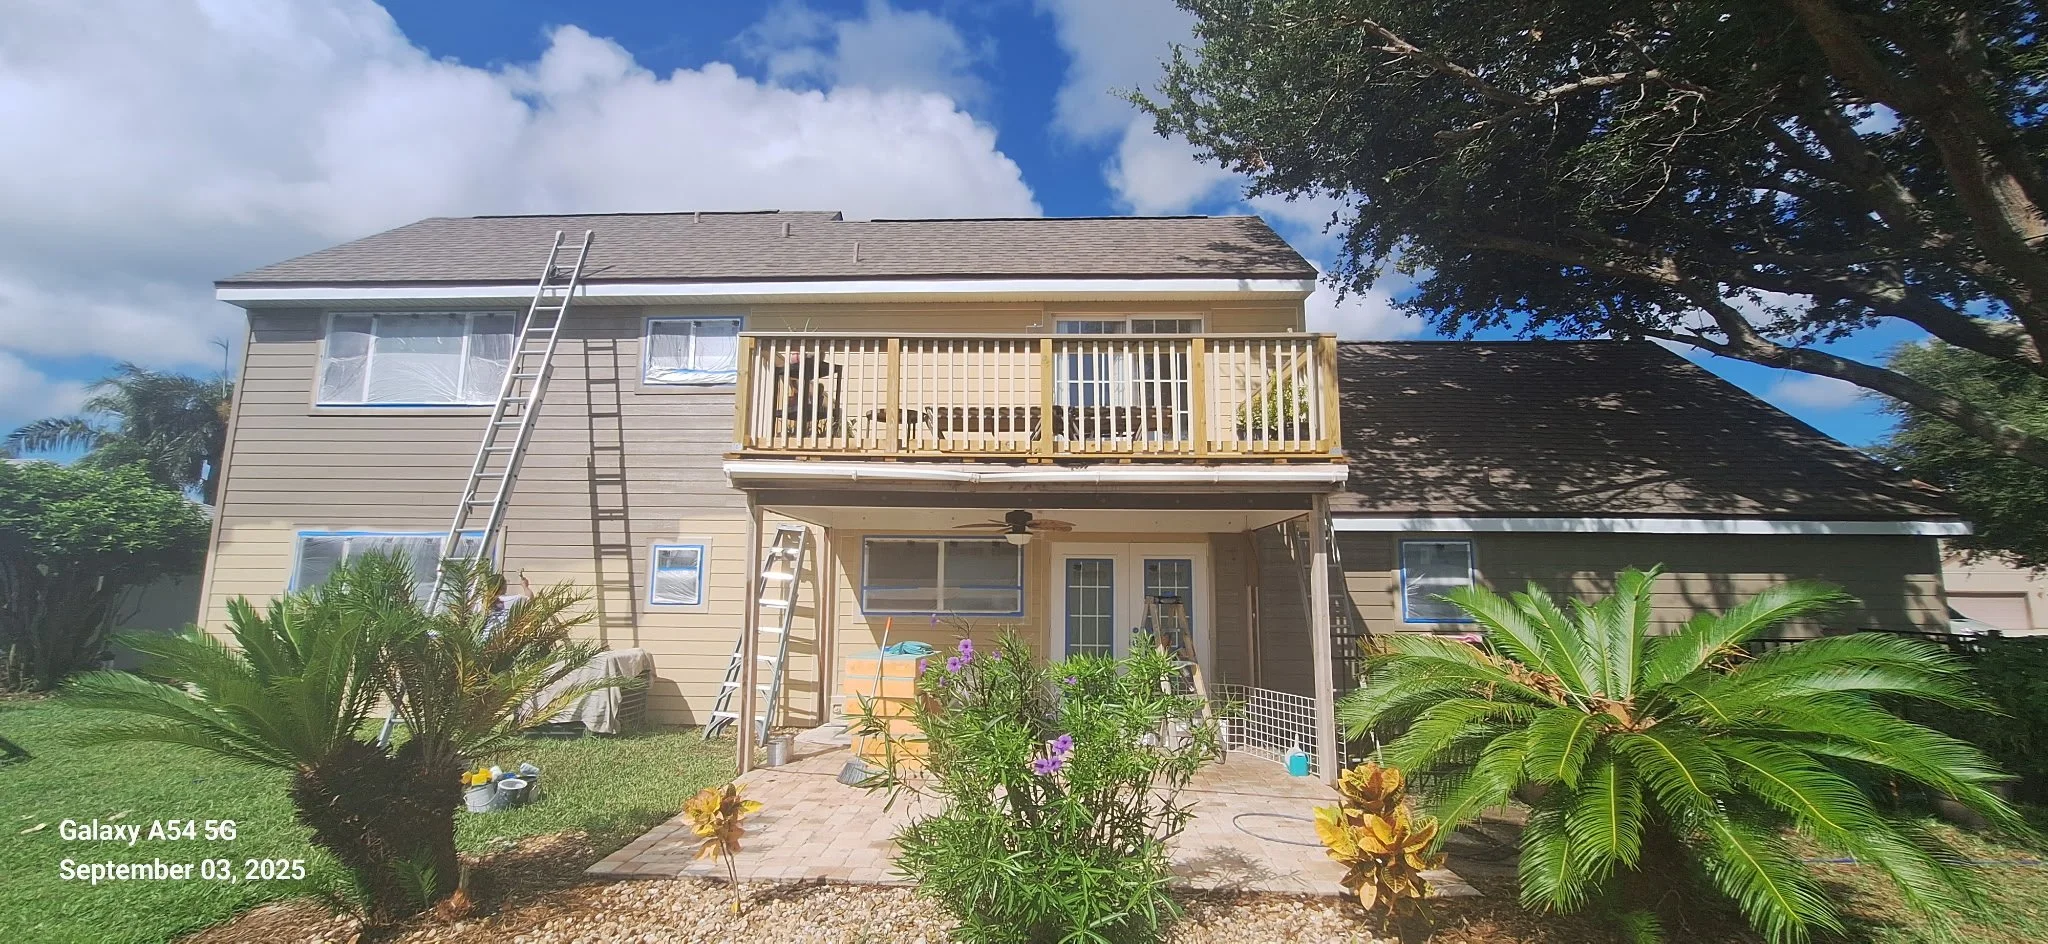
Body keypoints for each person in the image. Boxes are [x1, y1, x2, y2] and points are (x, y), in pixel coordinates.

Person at [483, 571, 532, 637]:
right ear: (503, 586)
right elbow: (530, 599)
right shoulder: (514, 600)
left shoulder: (483, 602)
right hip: (499, 640)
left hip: (483, 638)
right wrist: (525, 586)